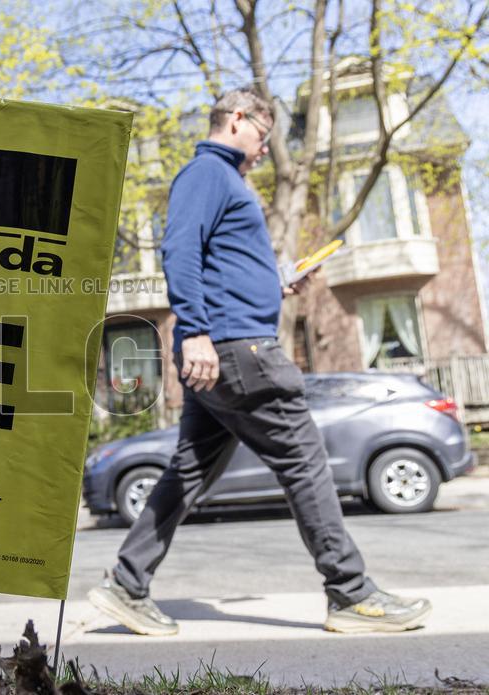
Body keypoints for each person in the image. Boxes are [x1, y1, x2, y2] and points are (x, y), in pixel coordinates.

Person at [88, 87, 431, 635]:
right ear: (237, 119)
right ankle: (351, 594)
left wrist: (277, 284)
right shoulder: (207, 174)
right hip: (237, 351)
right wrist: (195, 331)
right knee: (306, 461)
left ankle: (126, 585)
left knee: (189, 471)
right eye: (264, 136)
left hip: (225, 350)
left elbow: (223, 268)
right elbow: (180, 250)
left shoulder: (228, 181)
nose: (267, 149)